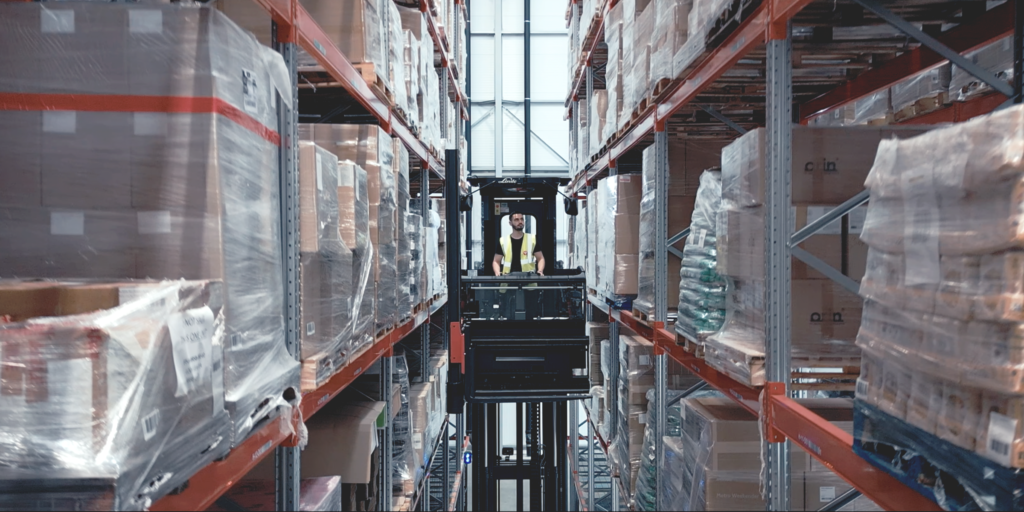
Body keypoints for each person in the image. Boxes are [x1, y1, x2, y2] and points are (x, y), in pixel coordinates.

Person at [492, 212, 546, 276]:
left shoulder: (532, 239)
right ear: (510, 223)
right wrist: (497, 273)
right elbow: (496, 261)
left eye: (522, 219)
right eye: (516, 220)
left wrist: (540, 271)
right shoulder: (503, 241)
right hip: (508, 279)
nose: (520, 222)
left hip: (529, 279)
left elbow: (540, 258)